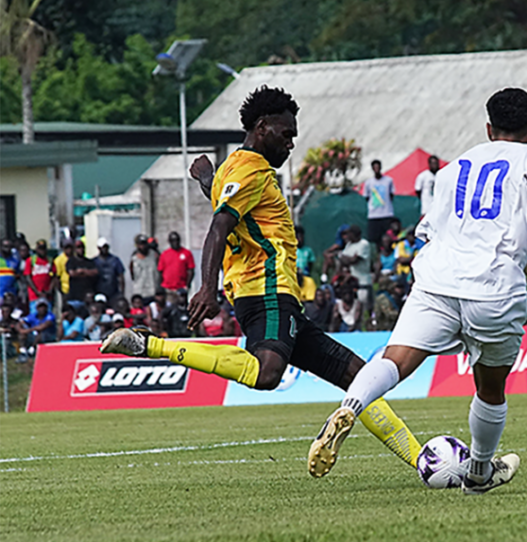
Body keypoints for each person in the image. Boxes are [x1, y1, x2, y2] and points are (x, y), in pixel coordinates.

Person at [103, 85, 421, 475]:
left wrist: (208, 179)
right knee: (267, 372)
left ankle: (423, 462)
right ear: (262, 126)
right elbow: (220, 225)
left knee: (359, 378)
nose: (291, 143)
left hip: (274, 298)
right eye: (286, 133)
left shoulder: (234, 173)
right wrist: (207, 286)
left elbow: (226, 205)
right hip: (268, 292)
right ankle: (149, 345)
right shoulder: (251, 170)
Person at [317, 88, 527, 493]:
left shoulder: (454, 168)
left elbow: (424, 230)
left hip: (437, 282)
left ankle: (349, 407)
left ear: (488, 128)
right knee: (490, 388)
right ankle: (480, 472)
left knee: (394, 360)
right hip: (493, 286)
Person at [364, 159, 396, 246]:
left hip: (386, 214)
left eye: (378, 167)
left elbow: (391, 195)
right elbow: (367, 197)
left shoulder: (388, 180)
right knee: (375, 239)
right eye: (375, 167)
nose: (376, 169)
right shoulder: (368, 182)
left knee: (388, 237)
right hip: (374, 215)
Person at [338, 225, 372, 307]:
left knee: (364, 306)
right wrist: (347, 258)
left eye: (349, 234)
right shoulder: (349, 245)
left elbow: (354, 261)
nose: (347, 236)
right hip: (351, 280)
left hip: (363, 281)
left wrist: (346, 258)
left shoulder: (364, 244)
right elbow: (343, 259)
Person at [65, 239, 98, 305]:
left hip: (87, 295)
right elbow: (72, 273)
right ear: (75, 249)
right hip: (75, 296)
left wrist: (82, 271)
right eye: (78, 247)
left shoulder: (89, 262)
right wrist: (86, 273)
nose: (80, 249)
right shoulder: (71, 262)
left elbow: (95, 272)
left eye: (82, 247)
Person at [129, 234, 159, 302]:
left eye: (144, 244)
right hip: (140, 292)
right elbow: (132, 273)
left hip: (153, 291)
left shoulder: (154, 255)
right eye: (140, 244)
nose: (143, 246)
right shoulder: (134, 258)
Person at [23, 240, 54, 304]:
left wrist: (50, 290)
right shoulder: (30, 260)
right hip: (34, 295)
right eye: (40, 249)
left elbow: (54, 277)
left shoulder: (50, 260)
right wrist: (37, 291)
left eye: (43, 249)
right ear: (36, 249)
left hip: (47, 295)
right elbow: (28, 277)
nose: (42, 251)